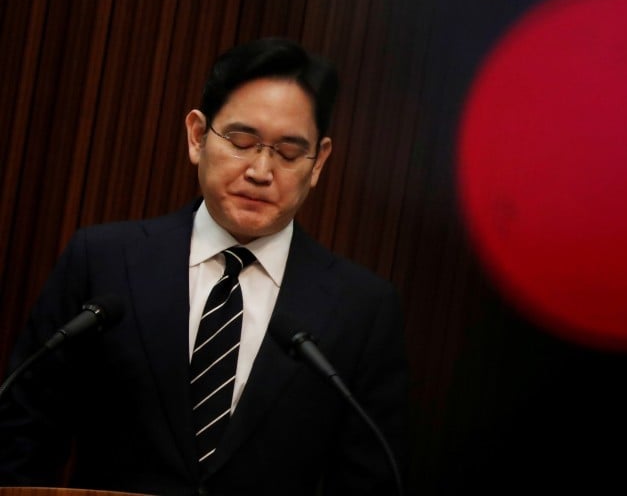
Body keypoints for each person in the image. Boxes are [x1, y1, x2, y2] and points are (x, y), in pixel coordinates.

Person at [0, 38, 408, 495]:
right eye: (241, 142)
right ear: (197, 136)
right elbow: (22, 435)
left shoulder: (363, 309)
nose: (260, 171)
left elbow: (368, 479)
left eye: (289, 153)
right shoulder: (103, 261)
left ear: (318, 162)